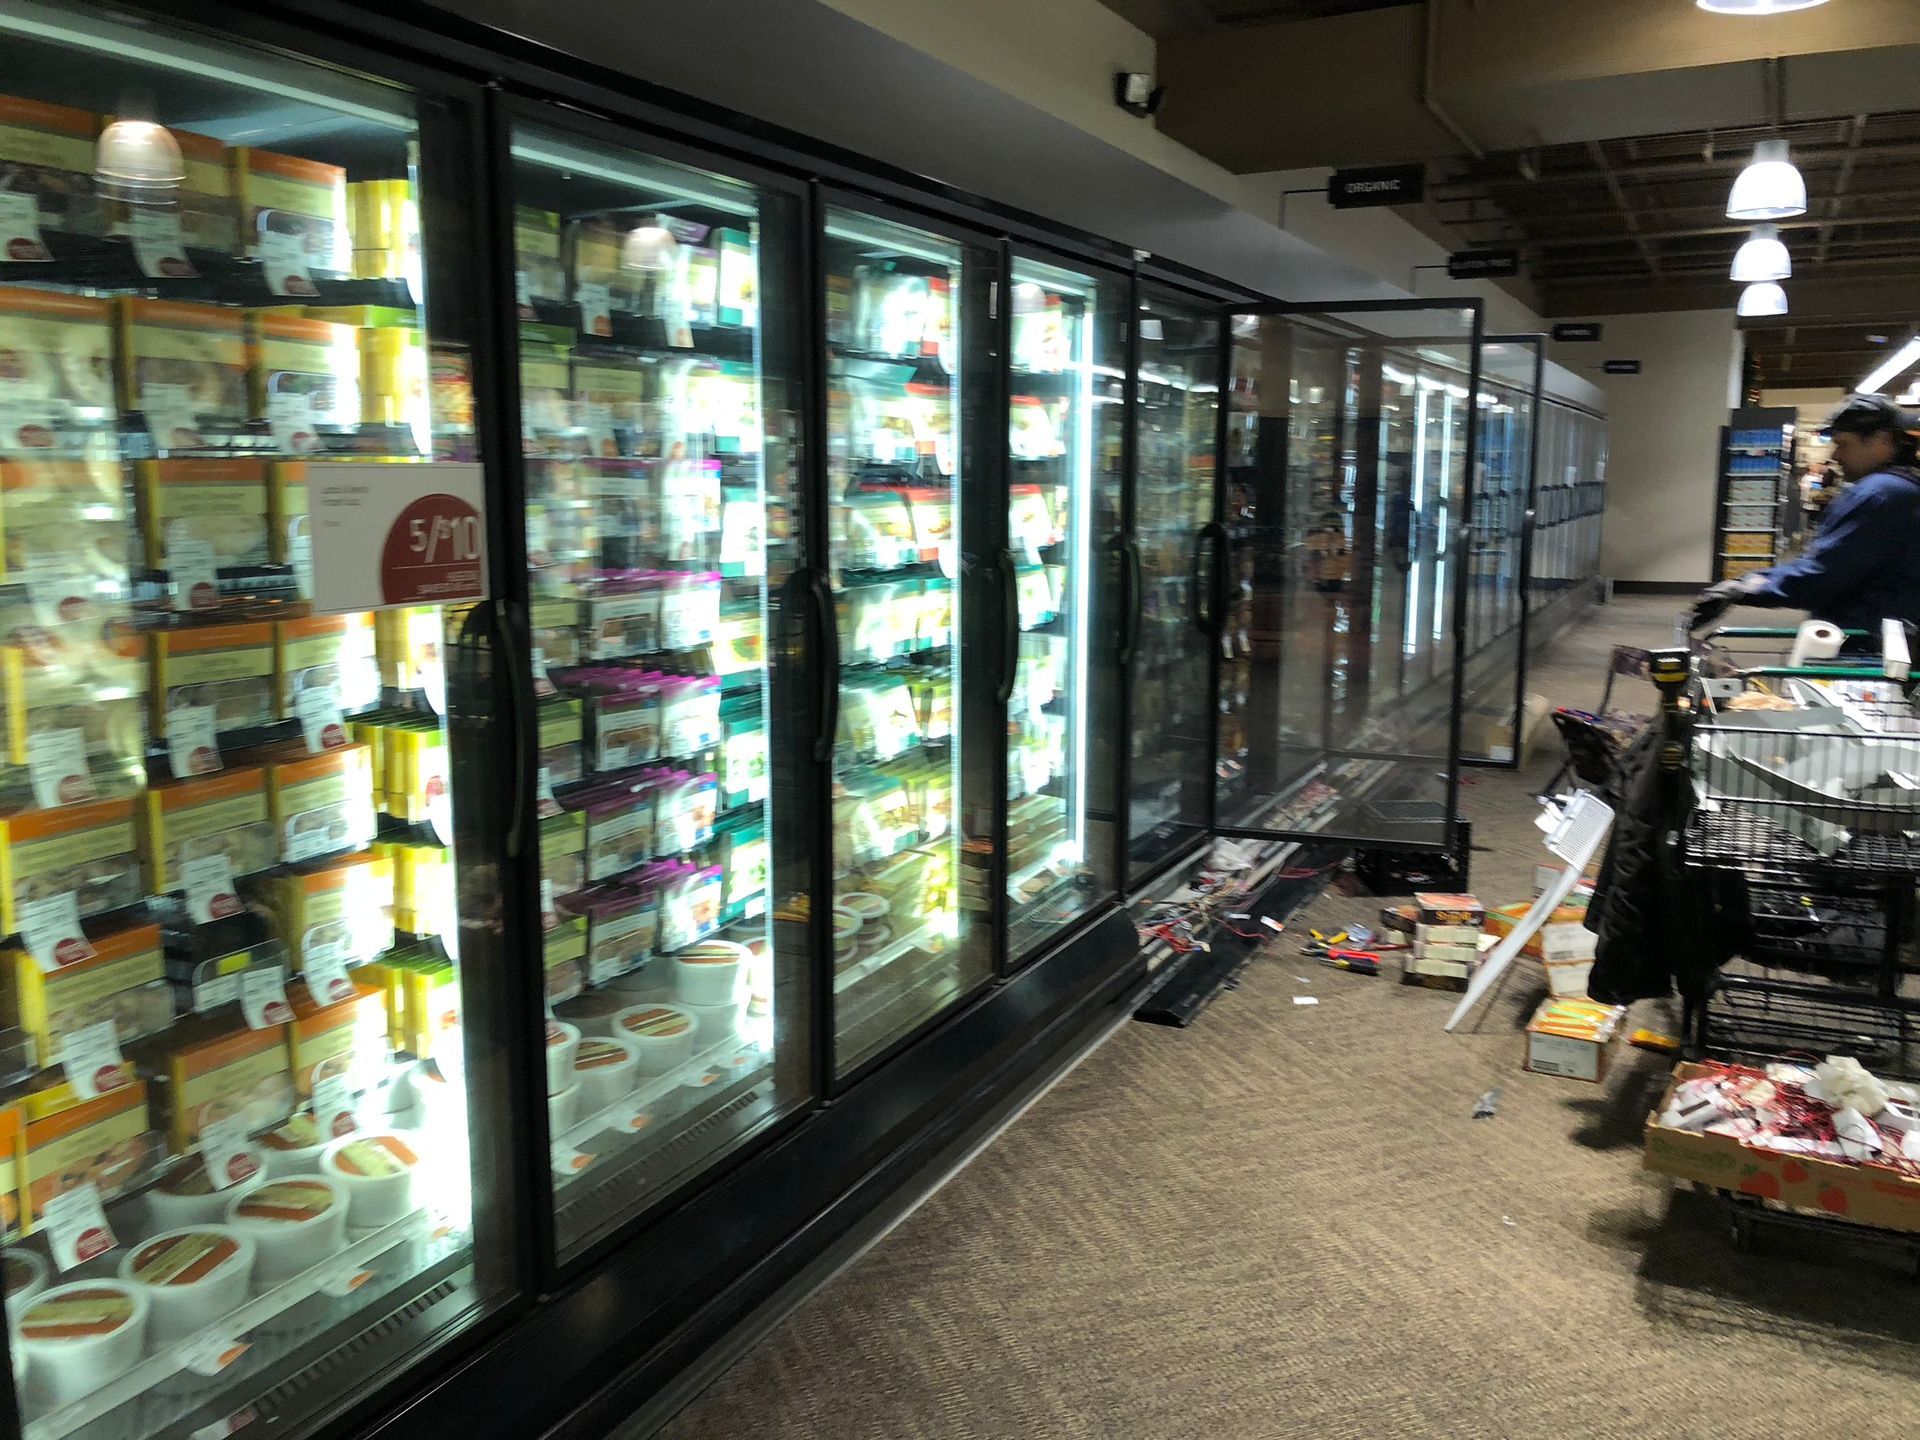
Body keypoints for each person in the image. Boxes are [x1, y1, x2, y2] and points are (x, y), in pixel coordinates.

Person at [1691, 394, 1920, 637]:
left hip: (1867, 640)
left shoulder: (1879, 494)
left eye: (1844, 444)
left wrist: (1746, 587)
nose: (1836, 456)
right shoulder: (1904, 487)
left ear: (1882, 441)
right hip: (1892, 632)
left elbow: (1824, 574)